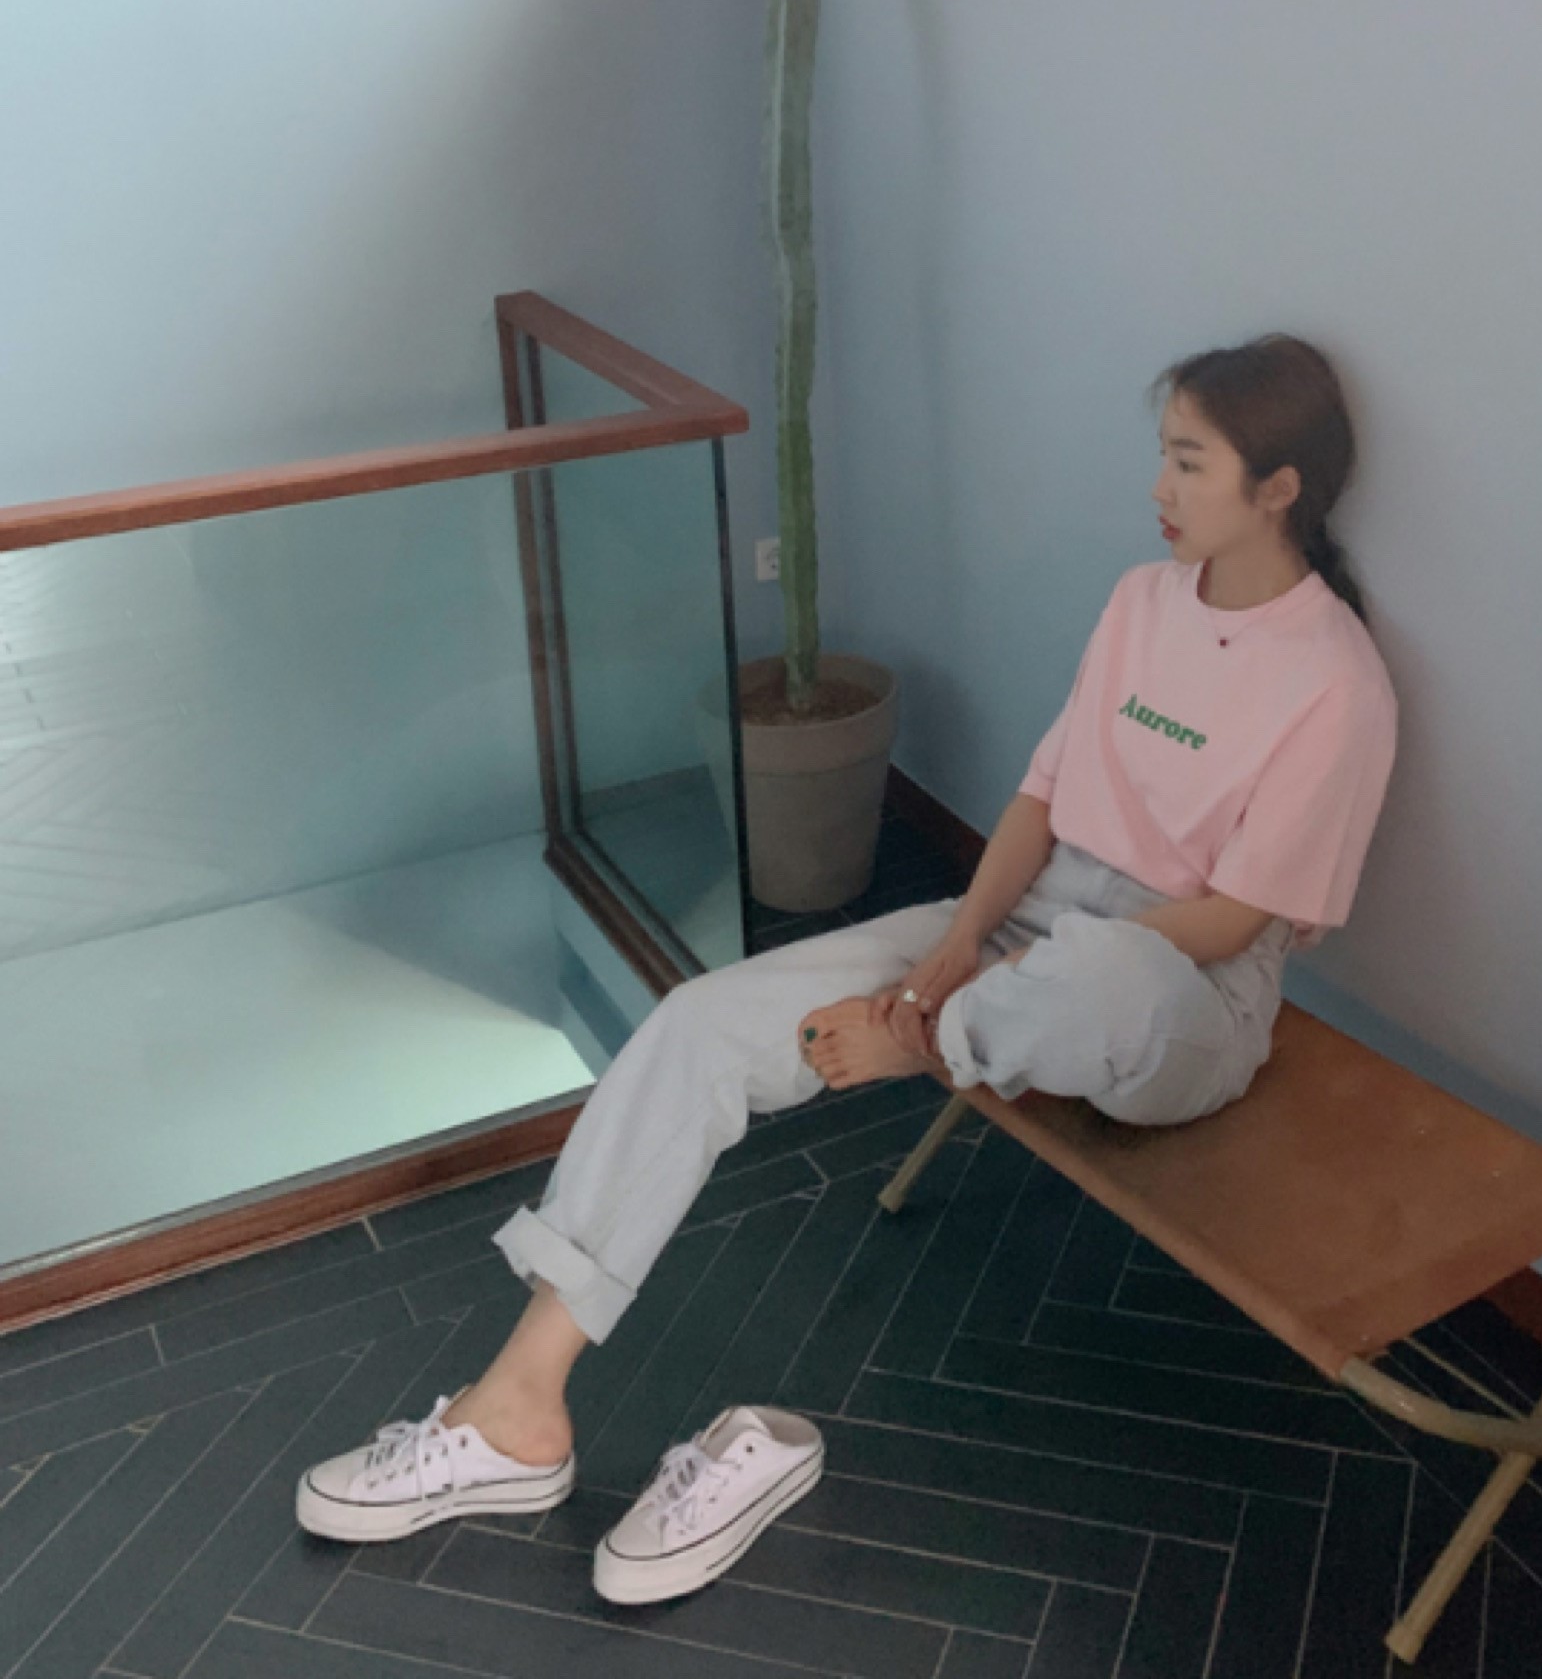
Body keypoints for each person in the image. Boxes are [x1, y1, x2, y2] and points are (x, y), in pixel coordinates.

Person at [294, 332, 1399, 1595]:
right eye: (1163, 456)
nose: (1158, 487)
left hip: (1181, 996)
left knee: (1106, 976)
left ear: (1278, 487)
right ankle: (517, 1404)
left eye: (1188, 463)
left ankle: (935, 1044)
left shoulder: (1338, 683)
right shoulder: (1143, 601)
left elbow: (1236, 920)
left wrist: (933, 1024)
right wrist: (962, 941)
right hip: (1032, 925)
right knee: (703, 1022)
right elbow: (1041, 799)